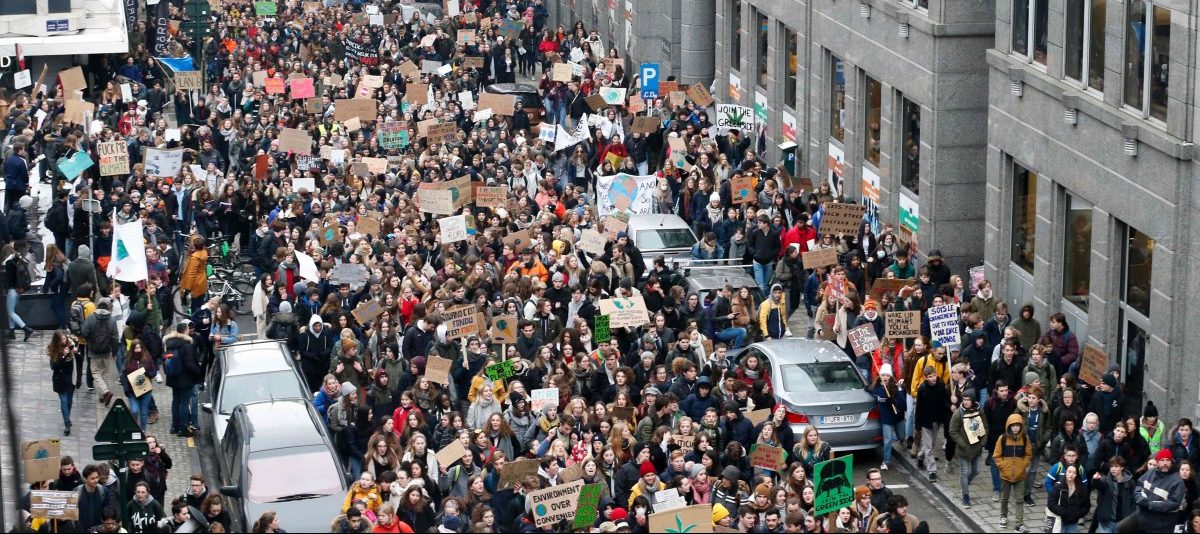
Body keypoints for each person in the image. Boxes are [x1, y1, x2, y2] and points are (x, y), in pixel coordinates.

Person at [1117, 449, 1185, 533]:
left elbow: (1173, 503)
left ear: (1171, 462)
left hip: (1161, 523)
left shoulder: (1177, 481)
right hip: (1142, 516)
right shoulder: (1151, 472)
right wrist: (1141, 499)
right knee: (1120, 528)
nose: (1165, 463)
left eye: (1167, 460)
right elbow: (1139, 485)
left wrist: (1150, 504)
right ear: (1158, 462)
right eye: (1162, 460)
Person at [994, 413, 1033, 532]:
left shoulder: (1025, 438)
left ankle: (1019, 524)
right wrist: (1003, 466)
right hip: (1005, 475)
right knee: (1004, 498)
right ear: (1009, 426)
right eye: (1013, 425)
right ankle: (1003, 517)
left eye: (1018, 425)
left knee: (1019, 499)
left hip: (1020, 476)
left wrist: (1023, 465)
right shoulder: (1003, 438)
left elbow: (1028, 454)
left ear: (1021, 426)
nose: (1015, 428)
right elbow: (997, 455)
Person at [948, 390, 985, 508]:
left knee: (977, 470)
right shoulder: (958, 414)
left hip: (977, 448)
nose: (966, 402)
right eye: (964, 400)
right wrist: (963, 444)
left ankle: (966, 482)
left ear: (973, 400)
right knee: (965, 472)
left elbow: (985, 426)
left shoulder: (979, 411)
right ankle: (965, 496)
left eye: (968, 400)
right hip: (963, 449)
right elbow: (952, 431)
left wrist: (983, 441)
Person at [2, 241, 35, 340]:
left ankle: (26, 329)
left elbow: (8, 278)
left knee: (10, 312)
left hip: (12, 290)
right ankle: (12, 332)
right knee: (11, 311)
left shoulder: (8, 263)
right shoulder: (18, 260)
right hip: (19, 289)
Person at [48, 330, 78, 435]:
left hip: (70, 378)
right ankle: (67, 423)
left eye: (64, 339)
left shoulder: (70, 344)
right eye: (61, 340)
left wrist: (76, 352)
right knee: (64, 401)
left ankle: (67, 418)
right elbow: (54, 367)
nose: (64, 341)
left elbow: (80, 360)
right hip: (60, 379)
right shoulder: (54, 350)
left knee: (69, 401)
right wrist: (64, 356)